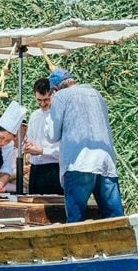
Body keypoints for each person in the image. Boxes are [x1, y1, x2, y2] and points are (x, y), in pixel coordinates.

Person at [45, 69, 123, 222]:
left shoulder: (61, 96)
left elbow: (52, 135)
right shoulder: (96, 93)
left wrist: (52, 106)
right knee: (115, 218)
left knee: (76, 219)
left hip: (78, 163)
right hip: (106, 162)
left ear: (54, 90)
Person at [23, 77, 63, 195]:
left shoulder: (60, 115)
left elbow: (63, 149)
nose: (42, 104)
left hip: (55, 168)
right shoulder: (34, 115)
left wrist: (42, 150)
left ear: (53, 95)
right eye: (39, 100)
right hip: (36, 169)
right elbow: (30, 139)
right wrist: (28, 146)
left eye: (46, 100)